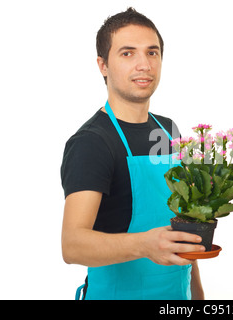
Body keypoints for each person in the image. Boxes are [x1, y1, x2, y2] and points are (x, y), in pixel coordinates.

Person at [60, 7, 205, 300]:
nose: (144, 64)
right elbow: (72, 245)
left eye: (152, 53)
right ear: (103, 65)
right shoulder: (92, 142)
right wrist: (145, 245)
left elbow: (184, 224)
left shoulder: (167, 131)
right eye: (128, 53)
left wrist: (198, 296)